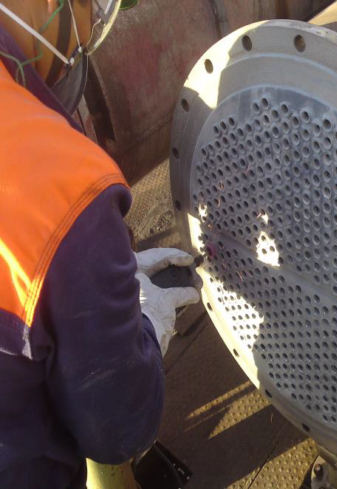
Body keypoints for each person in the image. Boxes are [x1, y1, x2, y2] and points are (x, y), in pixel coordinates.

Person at [0, 1, 199, 487]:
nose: (88, 29)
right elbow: (121, 429)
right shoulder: (66, 186)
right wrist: (145, 327)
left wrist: (87, 280)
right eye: (88, 4)